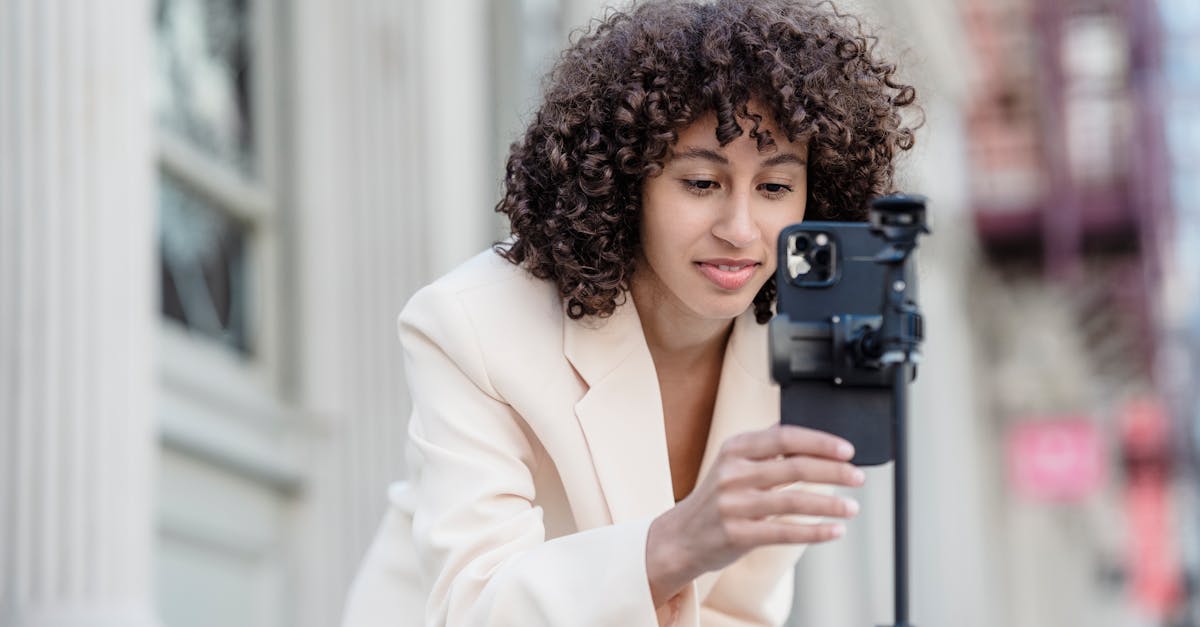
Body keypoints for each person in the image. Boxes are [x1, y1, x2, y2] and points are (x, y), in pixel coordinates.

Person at [342, 1, 918, 625]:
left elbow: (740, 610)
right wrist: (675, 542)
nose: (741, 230)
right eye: (701, 183)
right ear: (624, 182)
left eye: (775, 188)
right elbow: (474, 605)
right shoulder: (469, 326)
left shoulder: (800, 346)